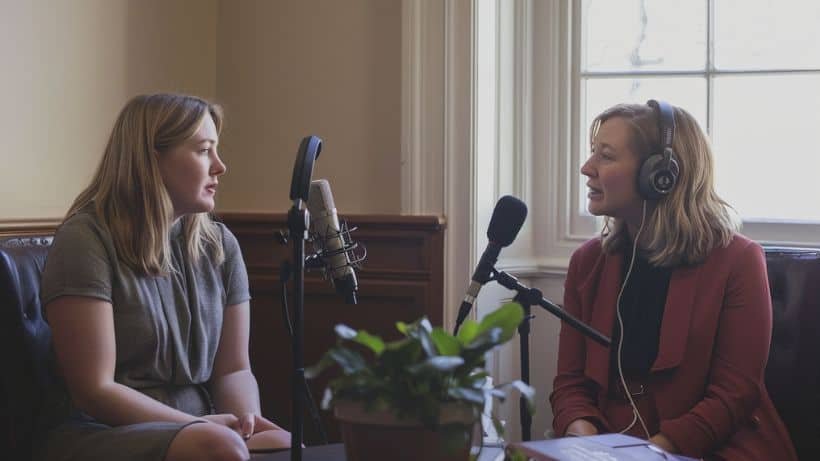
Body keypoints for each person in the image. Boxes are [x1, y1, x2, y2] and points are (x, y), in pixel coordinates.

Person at [35, 93, 290, 461]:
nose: (220, 166)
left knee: (286, 445)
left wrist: (246, 422)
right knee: (219, 447)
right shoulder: (85, 240)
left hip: (204, 429)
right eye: (204, 151)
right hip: (99, 430)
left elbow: (234, 369)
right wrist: (201, 428)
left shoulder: (220, 246)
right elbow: (95, 390)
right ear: (152, 159)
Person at [549, 100, 797, 460]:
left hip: (713, 447)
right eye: (592, 153)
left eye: (606, 156)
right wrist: (582, 437)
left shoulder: (738, 260)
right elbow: (570, 383)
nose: (587, 168)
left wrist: (653, 453)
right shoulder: (587, 263)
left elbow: (735, 393)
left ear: (660, 175)